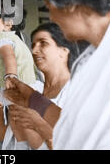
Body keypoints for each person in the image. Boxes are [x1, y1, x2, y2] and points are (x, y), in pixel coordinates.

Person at [4, 0, 110, 149]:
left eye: (48, 3)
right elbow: (77, 124)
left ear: (68, 1)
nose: (51, 16)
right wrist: (30, 97)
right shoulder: (95, 55)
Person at [7, 22, 78, 150]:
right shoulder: (34, 90)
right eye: (33, 45)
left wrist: (39, 125)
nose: (34, 51)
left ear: (64, 51)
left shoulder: (77, 92)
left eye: (43, 43)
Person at [0, 0, 36, 96]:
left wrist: (10, 76)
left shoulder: (2, 38)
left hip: (18, 88)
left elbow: (9, 56)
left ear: (8, 24)